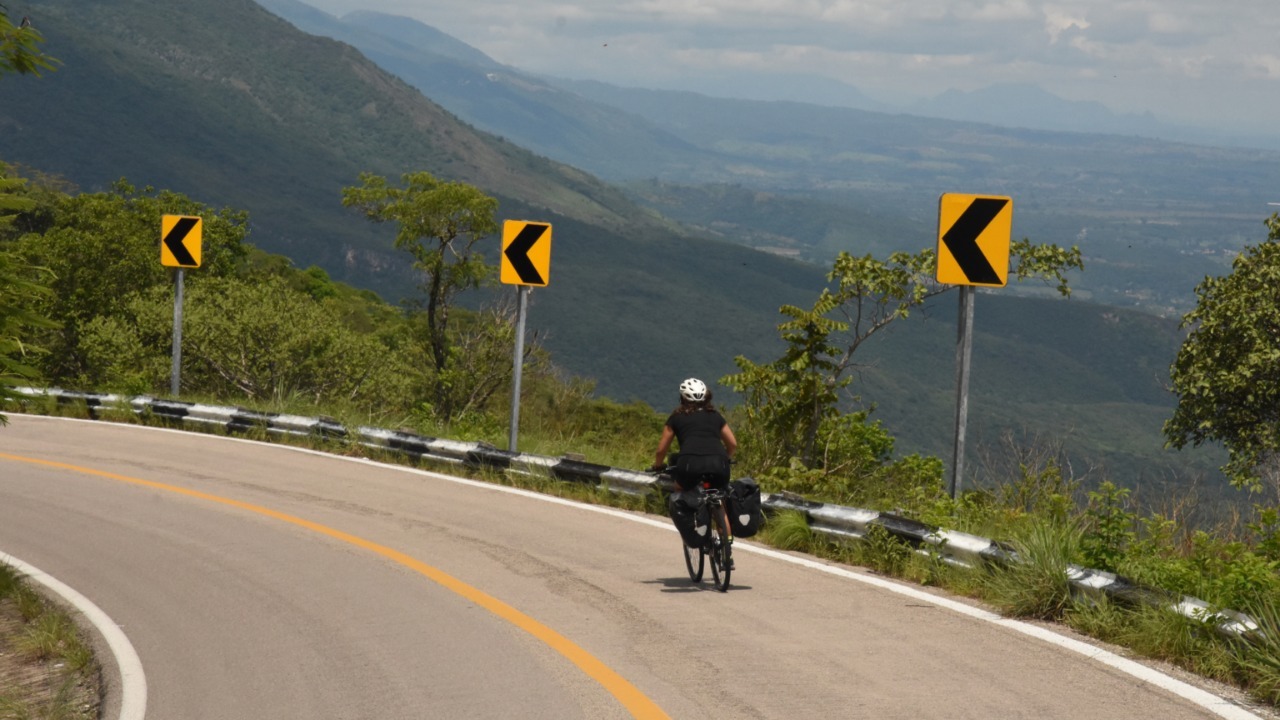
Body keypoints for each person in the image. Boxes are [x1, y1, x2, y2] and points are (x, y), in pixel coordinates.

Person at [651, 378, 738, 488]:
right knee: (721, 494)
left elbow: (661, 450)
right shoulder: (716, 415)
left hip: (689, 463)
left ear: (683, 397)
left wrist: (658, 466)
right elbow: (733, 444)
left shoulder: (676, 417)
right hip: (720, 464)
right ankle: (722, 505)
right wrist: (726, 457)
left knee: (679, 490)